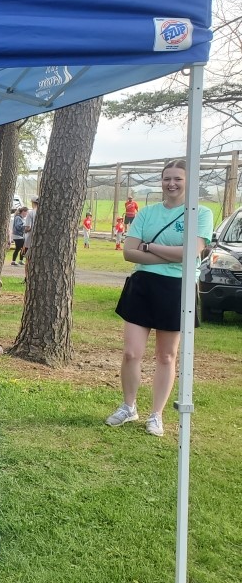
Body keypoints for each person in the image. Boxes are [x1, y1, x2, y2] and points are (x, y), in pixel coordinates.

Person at [107, 159, 213, 437]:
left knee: (166, 356)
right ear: (161, 181)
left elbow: (192, 253)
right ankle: (129, 407)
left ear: (188, 182)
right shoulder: (146, 213)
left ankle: (156, 415)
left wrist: (149, 246)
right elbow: (129, 252)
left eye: (178, 178)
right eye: (167, 178)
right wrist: (171, 252)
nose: (172, 183)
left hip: (177, 287)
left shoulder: (200, 214)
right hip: (143, 285)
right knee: (131, 353)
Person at [21, 196, 39, 265]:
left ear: (32, 203)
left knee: (28, 259)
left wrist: (24, 230)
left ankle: (27, 275)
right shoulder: (43, 213)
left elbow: (28, 227)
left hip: (29, 240)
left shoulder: (31, 213)